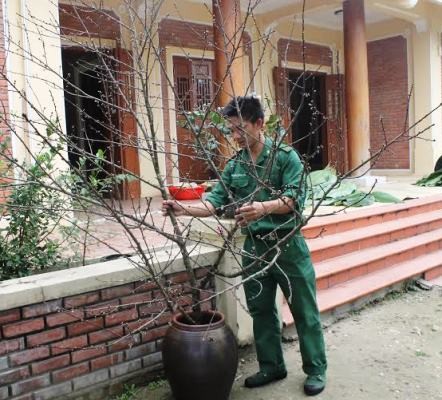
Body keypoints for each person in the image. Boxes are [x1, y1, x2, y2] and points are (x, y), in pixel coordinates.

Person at [162, 96, 327, 396]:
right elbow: (214, 203)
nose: (235, 136)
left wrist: (263, 208)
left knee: (304, 310)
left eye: (241, 128)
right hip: (254, 248)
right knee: (261, 310)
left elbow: (294, 200)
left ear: (260, 124)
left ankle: (315, 369)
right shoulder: (235, 165)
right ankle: (271, 366)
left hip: (288, 245)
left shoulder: (285, 157)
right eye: (231, 130)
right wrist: (181, 208)